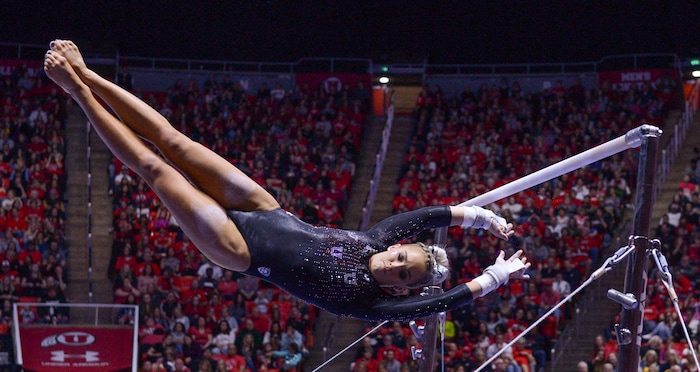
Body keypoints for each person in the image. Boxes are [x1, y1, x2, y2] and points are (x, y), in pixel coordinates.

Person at [43, 39, 530, 322]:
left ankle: (77, 92)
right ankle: (89, 73)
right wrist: (479, 217)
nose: (394, 263)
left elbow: (440, 301)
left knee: (157, 170)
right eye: (403, 256)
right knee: (175, 142)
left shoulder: (372, 303)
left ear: (404, 290)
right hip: (264, 209)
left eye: (403, 274)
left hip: (241, 249)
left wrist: (491, 280)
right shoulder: (372, 242)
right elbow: (420, 217)